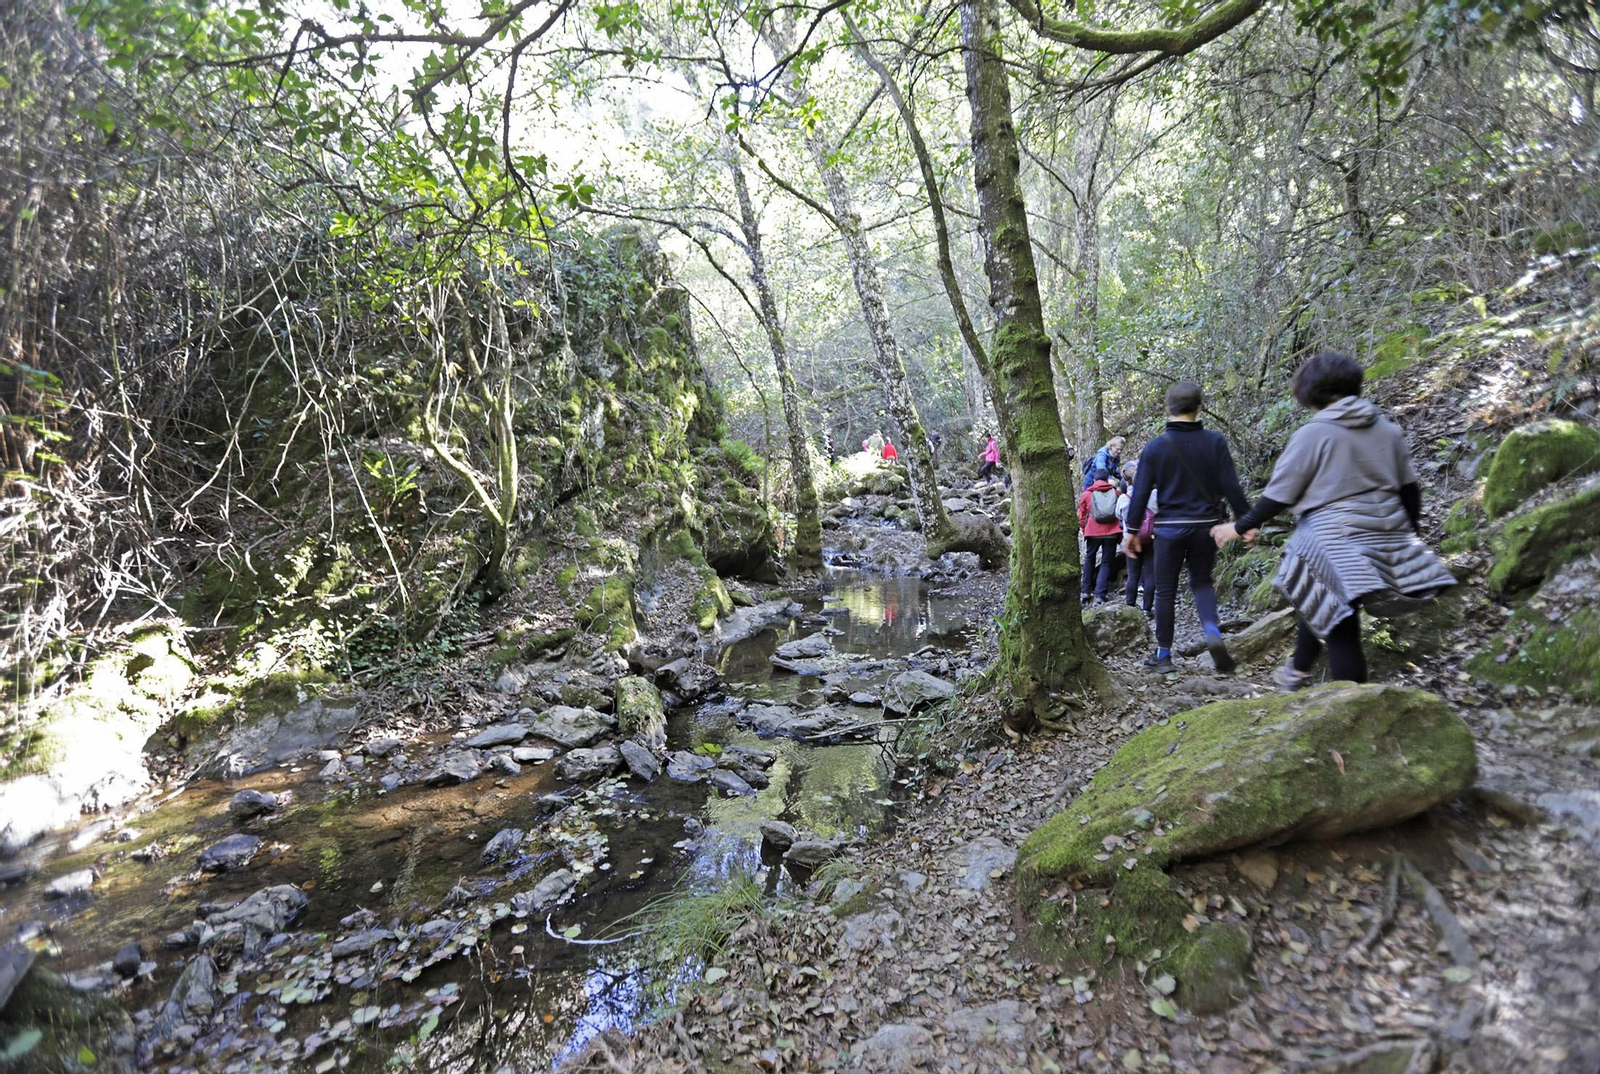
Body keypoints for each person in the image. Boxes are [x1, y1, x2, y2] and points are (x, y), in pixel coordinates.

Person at [1213, 351, 1455, 689]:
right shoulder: (1386, 429)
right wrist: (1408, 539)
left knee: (1341, 623)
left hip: (1333, 535)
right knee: (1324, 597)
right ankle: (1297, 669)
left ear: (1310, 392)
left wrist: (1238, 526)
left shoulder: (1315, 433)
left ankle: (1349, 704)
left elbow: (1280, 495)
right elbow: (1410, 491)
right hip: (1386, 532)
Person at [1123, 382, 1250, 674]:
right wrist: (1246, 523)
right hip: (1206, 527)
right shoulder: (1216, 442)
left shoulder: (1155, 447)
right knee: (1202, 582)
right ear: (1199, 408)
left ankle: (1164, 655)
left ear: (1167, 409)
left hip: (1168, 530)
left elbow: (1139, 493)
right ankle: (1213, 634)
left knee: (1165, 590)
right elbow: (1231, 487)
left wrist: (1131, 531)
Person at [1117, 462, 1157, 618]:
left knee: (1133, 574)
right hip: (1150, 538)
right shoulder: (1154, 495)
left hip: (1130, 540)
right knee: (1150, 574)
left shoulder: (1124, 498)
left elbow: (1118, 516)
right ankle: (1147, 609)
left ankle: (1130, 607)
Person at [1079, 468, 1123, 603]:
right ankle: (1100, 593)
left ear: (1094, 480)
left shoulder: (1087, 494)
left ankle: (1085, 591)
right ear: (1107, 479)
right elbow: (1120, 513)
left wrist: (1084, 530)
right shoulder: (1116, 492)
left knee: (1089, 559)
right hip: (1112, 532)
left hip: (1093, 532)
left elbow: (1082, 516)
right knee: (1106, 562)